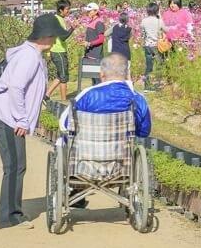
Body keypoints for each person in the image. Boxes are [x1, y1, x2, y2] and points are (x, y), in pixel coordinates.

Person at [0, 14, 57, 230]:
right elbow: (17, 87)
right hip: (8, 117)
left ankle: (11, 213)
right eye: (54, 35)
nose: (56, 40)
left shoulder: (29, 53)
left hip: (8, 115)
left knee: (17, 165)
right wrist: (21, 118)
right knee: (15, 166)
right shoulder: (28, 56)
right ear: (45, 37)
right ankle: (10, 217)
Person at [58, 52, 152, 208]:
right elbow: (144, 131)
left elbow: (65, 125)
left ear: (101, 73)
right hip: (120, 166)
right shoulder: (137, 99)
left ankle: (75, 190)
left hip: (84, 163)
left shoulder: (86, 96)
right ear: (126, 73)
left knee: (62, 141)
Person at [45, 0, 77, 101]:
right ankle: (64, 101)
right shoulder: (57, 20)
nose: (69, 11)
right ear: (60, 10)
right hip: (58, 51)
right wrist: (73, 28)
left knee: (61, 75)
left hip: (60, 50)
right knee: (64, 77)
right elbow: (63, 37)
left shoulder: (60, 19)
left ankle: (47, 95)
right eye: (67, 9)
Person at [140, 2, 167, 92]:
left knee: (149, 66)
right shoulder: (159, 21)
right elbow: (166, 30)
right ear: (157, 11)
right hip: (157, 46)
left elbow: (142, 34)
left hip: (147, 46)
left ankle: (147, 86)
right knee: (159, 65)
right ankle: (157, 84)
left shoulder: (144, 21)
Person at [82, 2, 105, 87]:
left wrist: (89, 43)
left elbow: (101, 39)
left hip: (96, 54)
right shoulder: (92, 21)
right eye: (87, 11)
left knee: (98, 80)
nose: (88, 13)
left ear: (96, 11)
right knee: (93, 79)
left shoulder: (99, 23)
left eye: (89, 11)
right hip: (90, 53)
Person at [109, 10, 132, 75]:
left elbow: (105, 34)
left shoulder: (115, 27)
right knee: (127, 72)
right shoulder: (129, 29)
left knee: (115, 72)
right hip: (126, 53)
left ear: (119, 19)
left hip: (116, 52)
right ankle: (129, 84)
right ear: (127, 20)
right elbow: (129, 37)